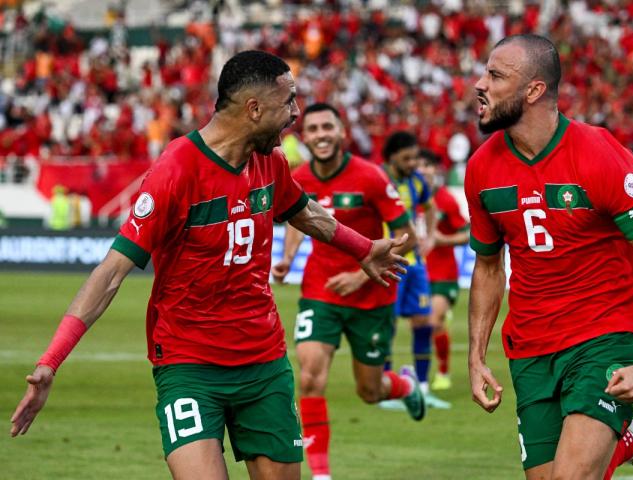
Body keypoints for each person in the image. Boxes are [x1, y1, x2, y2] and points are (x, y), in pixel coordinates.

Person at [10, 51, 408, 480]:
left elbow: (303, 211)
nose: (295, 114)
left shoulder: (269, 163)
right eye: (288, 101)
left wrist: (362, 248)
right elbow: (110, 273)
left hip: (263, 362)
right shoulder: (177, 170)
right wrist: (51, 361)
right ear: (254, 109)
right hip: (188, 365)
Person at [465, 34, 633, 480]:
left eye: (495, 75)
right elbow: (489, 266)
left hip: (605, 335)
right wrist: (476, 357)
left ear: (533, 90)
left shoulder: (598, 154)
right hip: (531, 349)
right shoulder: (481, 169)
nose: (480, 84)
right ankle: (629, 440)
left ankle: (626, 424)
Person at [271, 103, 425, 480]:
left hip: (371, 297)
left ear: (341, 132)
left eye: (328, 126)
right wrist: (289, 258)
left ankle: (404, 385)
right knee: (308, 376)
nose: (321, 134)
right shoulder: (300, 177)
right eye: (313, 128)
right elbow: (297, 217)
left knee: (369, 392)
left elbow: (410, 237)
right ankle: (321, 475)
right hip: (320, 292)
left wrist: (361, 274)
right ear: (303, 137)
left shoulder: (370, 177)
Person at [379, 131, 450, 410]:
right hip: (387, 261)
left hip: (415, 262)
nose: (412, 163)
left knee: (424, 321)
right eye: (407, 158)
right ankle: (386, 386)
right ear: (392, 156)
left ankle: (421, 387)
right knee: (389, 323)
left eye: (414, 158)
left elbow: (431, 209)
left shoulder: (417, 182)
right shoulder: (378, 178)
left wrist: (430, 237)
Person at [416, 148, 470, 391]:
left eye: (428, 165)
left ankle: (443, 372)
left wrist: (441, 241)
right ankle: (422, 377)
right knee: (421, 326)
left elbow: (468, 234)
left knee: (434, 321)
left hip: (444, 274)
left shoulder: (446, 199)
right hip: (418, 274)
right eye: (419, 165)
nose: (424, 170)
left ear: (435, 170)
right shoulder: (409, 198)